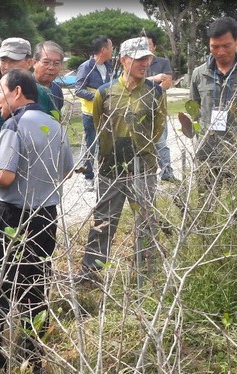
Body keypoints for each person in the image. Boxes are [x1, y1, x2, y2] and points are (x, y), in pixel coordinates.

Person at [0, 68, 73, 373]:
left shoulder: (14, 125)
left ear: (17, 92)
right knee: (35, 289)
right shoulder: (54, 125)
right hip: (45, 216)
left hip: (12, 217)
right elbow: (66, 170)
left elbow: (4, 175)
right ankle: (32, 359)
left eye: (1, 93)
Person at [76, 37, 166, 282]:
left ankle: (146, 274)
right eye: (138, 59)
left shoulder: (155, 92)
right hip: (110, 169)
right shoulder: (105, 93)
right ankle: (91, 274)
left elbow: (158, 128)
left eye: (147, 58)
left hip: (143, 169)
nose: (145, 63)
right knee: (103, 222)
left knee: (146, 221)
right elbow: (98, 123)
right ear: (124, 60)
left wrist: (141, 148)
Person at [0, 37, 58, 242]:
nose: (6, 65)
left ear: (29, 62)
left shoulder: (43, 95)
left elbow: (50, 131)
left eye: (12, 60)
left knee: (36, 237)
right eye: (2, 60)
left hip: (37, 177)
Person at [190, 17, 237, 190]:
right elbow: (194, 110)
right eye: (214, 47)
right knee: (205, 205)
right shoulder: (199, 74)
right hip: (206, 152)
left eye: (226, 46)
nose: (220, 52)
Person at [74, 35, 114, 188]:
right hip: (90, 114)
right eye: (110, 48)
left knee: (107, 145)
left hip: (107, 113)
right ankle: (88, 177)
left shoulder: (109, 66)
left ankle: (105, 176)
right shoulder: (86, 67)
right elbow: (78, 90)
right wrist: (98, 96)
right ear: (103, 50)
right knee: (91, 145)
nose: (112, 51)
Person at [145, 31, 177, 182]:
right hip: (139, 110)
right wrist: (154, 79)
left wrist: (144, 83)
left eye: (148, 44)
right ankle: (144, 174)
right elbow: (130, 83)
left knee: (161, 143)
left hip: (159, 109)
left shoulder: (163, 62)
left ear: (154, 47)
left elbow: (167, 84)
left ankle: (167, 173)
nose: (144, 47)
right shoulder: (134, 63)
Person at [33, 40, 65, 111]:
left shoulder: (57, 90)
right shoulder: (23, 88)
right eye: (46, 62)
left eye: (56, 63)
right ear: (34, 63)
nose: (51, 67)